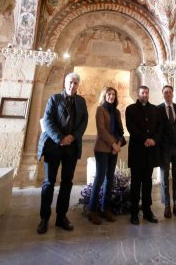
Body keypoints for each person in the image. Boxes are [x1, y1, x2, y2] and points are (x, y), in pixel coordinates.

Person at [36, 72, 88, 234]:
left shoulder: (81, 101)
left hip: (71, 147)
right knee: (49, 183)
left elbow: (83, 122)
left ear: (78, 85)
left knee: (67, 182)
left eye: (76, 83)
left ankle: (61, 217)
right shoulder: (54, 99)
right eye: (70, 83)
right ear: (65, 83)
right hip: (53, 146)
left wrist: (73, 136)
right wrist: (60, 138)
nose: (73, 86)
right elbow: (48, 120)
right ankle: (44, 218)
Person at [88, 87, 126, 225]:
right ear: (104, 95)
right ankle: (92, 210)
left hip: (114, 149)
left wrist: (119, 143)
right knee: (99, 178)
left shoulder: (116, 111)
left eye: (113, 94)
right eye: (109, 94)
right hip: (102, 148)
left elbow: (121, 130)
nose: (111, 96)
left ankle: (105, 208)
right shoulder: (100, 110)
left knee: (110, 179)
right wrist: (114, 144)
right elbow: (102, 131)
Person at [125, 85, 162, 225]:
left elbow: (160, 127)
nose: (145, 95)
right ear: (138, 94)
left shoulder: (155, 109)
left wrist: (154, 140)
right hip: (137, 151)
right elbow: (130, 127)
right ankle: (134, 212)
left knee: (147, 183)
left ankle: (147, 211)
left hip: (151, 152)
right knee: (135, 183)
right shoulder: (130, 109)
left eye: (147, 92)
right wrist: (144, 139)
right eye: (142, 93)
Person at [157, 85, 176, 219]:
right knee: (164, 178)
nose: (168, 94)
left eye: (170, 92)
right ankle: (167, 206)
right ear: (162, 94)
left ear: (173, 94)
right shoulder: (157, 109)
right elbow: (156, 128)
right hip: (164, 149)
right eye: (165, 92)